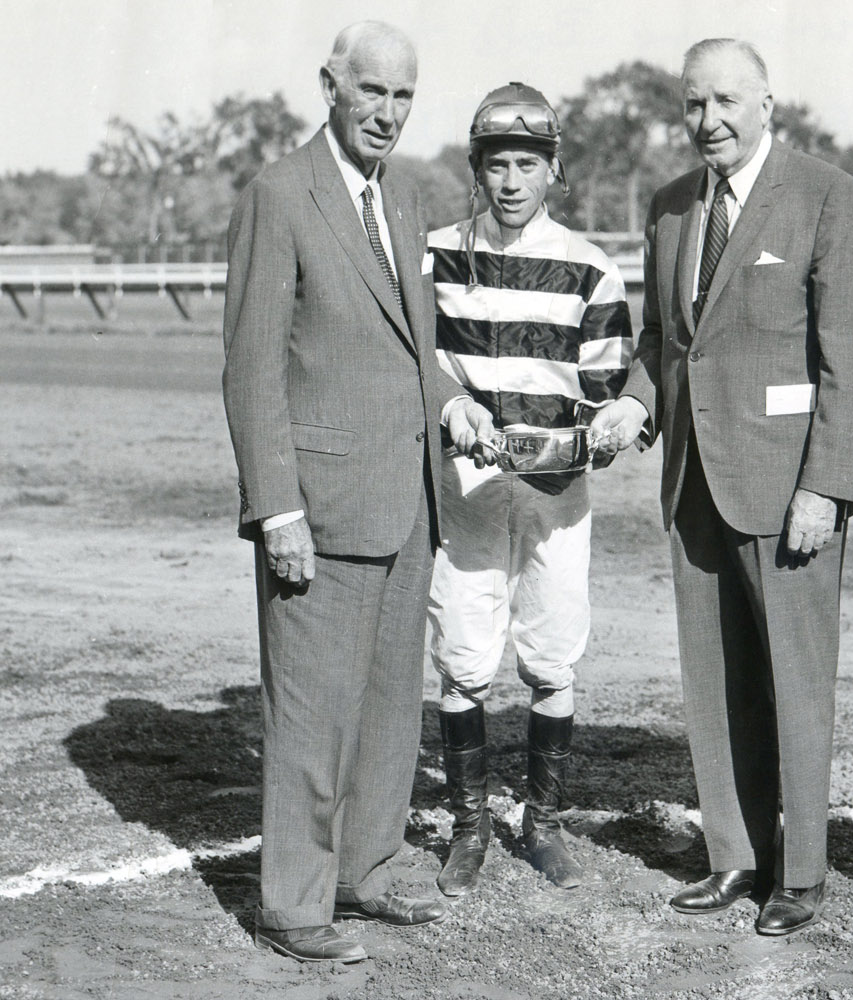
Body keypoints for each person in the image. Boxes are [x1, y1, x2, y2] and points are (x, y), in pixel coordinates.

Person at [591, 38, 853, 936]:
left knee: (794, 684)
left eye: (726, 102)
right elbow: (663, 342)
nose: (708, 121)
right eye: (692, 104)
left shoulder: (826, 194)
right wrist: (634, 409)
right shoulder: (672, 207)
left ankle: (800, 874)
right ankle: (735, 856)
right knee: (715, 681)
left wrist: (826, 486)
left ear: (767, 104)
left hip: (786, 485)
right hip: (694, 485)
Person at [221, 21, 494, 963]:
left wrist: (454, 404)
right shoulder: (278, 193)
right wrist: (278, 508)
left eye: (403, 96)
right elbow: (251, 367)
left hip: (408, 496)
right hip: (321, 508)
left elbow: (415, 347)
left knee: (386, 709)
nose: (387, 112)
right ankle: (297, 906)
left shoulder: (406, 197)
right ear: (329, 87)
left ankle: (366, 873)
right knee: (309, 713)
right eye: (371, 91)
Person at [423, 83, 632, 895]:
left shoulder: (589, 267)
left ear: (554, 170)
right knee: (465, 658)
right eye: (498, 165)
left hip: (556, 495)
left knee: (552, 656)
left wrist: (606, 429)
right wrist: (456, 406)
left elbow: (608, 387)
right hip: (466, 493)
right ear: (477, 169)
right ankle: (470, 827)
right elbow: (421, 362)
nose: (512, 182)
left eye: (528, 164)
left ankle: (542, 826)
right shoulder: (435, 254)